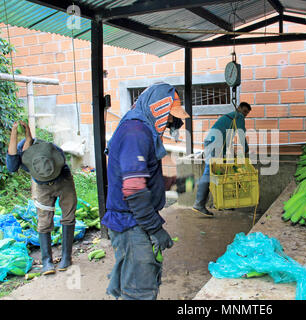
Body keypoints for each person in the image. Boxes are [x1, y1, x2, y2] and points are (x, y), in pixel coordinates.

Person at [101, 82, 189, 300]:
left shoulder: (141, 129)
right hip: (131, 225)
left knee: (131, 284)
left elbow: (140, 176)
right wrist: (155, 228)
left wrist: (172, 183)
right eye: (168, 115)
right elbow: (134, 190)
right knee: (139, 293)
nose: (169, 122)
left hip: (132, 222)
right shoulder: (136, 133)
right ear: (156, 108)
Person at [6, 121, 77, 275]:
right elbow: (11, 167)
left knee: (68, 216)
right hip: (42, 186)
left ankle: (66, 257)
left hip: (63, 179)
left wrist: (28, 134)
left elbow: (62, 159)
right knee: (44, 221)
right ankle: (47, 261)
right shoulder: (19, 153)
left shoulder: (48, 149)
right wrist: (14, 132)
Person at [192, 102, 252, 217]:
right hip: (215, 143)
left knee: (219, 172)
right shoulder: (237, 116)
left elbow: (226, 136)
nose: (244, 115)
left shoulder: (229, 117)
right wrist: (246, 148)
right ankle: (199, 204)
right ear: (239, 108)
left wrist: (230, 153)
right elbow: (241, 134)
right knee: (210, 171)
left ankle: (221, 202)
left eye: (247, 113)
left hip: (214, 142)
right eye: (244, 111)